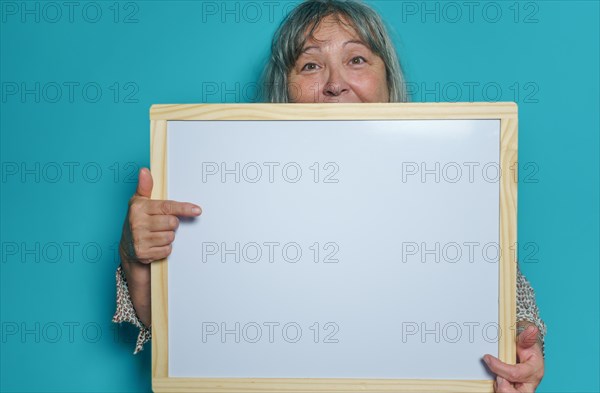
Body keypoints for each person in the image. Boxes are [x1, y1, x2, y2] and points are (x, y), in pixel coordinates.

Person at [113, 0, 546, 391]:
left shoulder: (451, 181)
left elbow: (506, 299)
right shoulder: (228, 183)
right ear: (284, 89)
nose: (336, 84)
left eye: (356, 58)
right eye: (310, 65)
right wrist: (137, 256)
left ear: (388, 80)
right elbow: (178, 331)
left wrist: (521, 341)